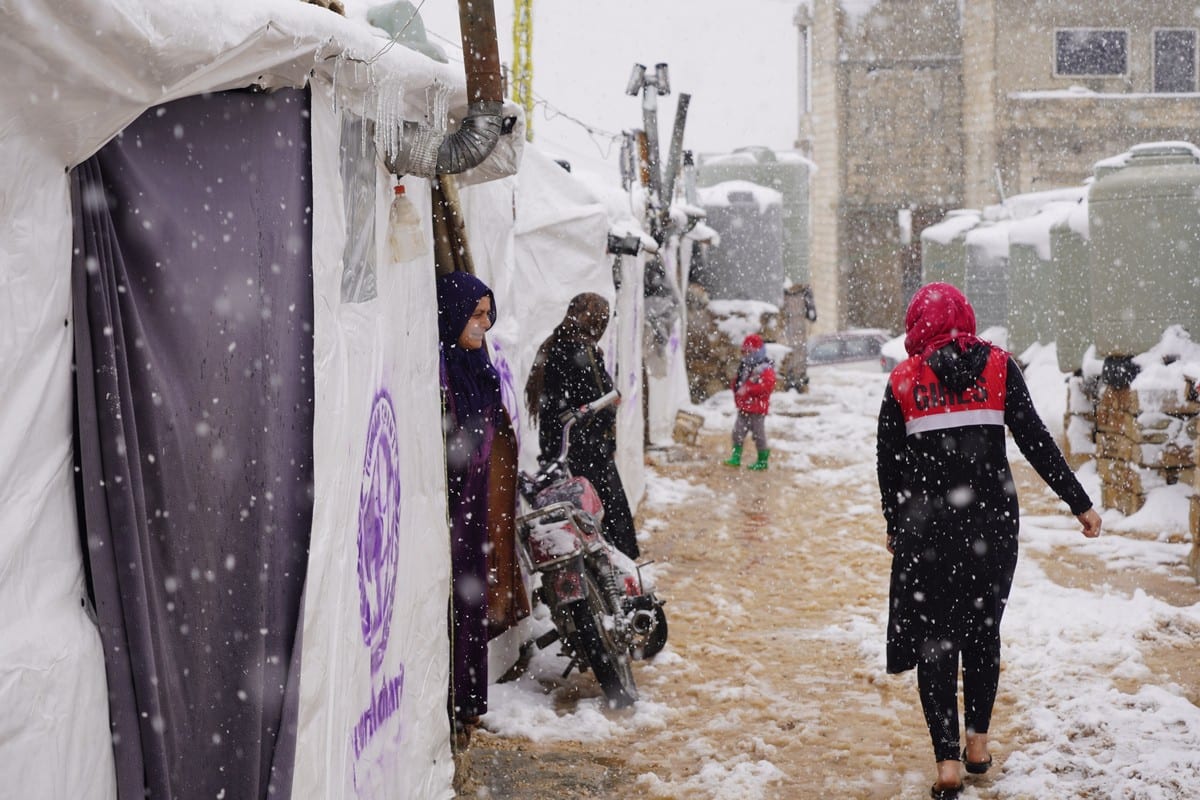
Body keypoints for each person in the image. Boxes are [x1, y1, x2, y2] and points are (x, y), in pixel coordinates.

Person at [876, 282, 1102, 799]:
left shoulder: (904, 380)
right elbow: (1037, 442)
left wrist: (895, 521)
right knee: (981, 633)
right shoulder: (999, 368)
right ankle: (977, 744)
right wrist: (1079, 502)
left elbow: (888, 462)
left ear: (916, 327)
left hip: (928, 534)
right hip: (992, 532)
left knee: (936, 643)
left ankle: (947, 766)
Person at [435, 271, 505, 737]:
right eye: (474, 315)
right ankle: (455, 701)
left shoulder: (478, 367)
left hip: (474, 502)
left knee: (472, 595)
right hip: (451, 505)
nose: (483, 324)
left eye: (486, 314)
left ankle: (471, 701)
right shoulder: (441, 371)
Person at [524, 292, 639, 560]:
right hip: (589, 453)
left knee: (575, 528)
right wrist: (611, 404)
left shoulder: (553, 345)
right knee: (608, 523)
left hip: (559, 450)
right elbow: (602, 401)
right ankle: (619, 577)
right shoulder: (582, 352)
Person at [723, 333, 776, 470]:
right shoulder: (745, 367)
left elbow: (767, 386)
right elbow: (739, 382)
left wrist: (749, 389)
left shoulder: (764, 368)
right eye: (744, 352)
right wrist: (736, 386)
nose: (745, 355)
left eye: (748, 352)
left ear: (757, 352)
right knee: (737, 432)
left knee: (759, 435)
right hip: (744, 408)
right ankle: (736, 457)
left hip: (758, 409)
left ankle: (762, 460)